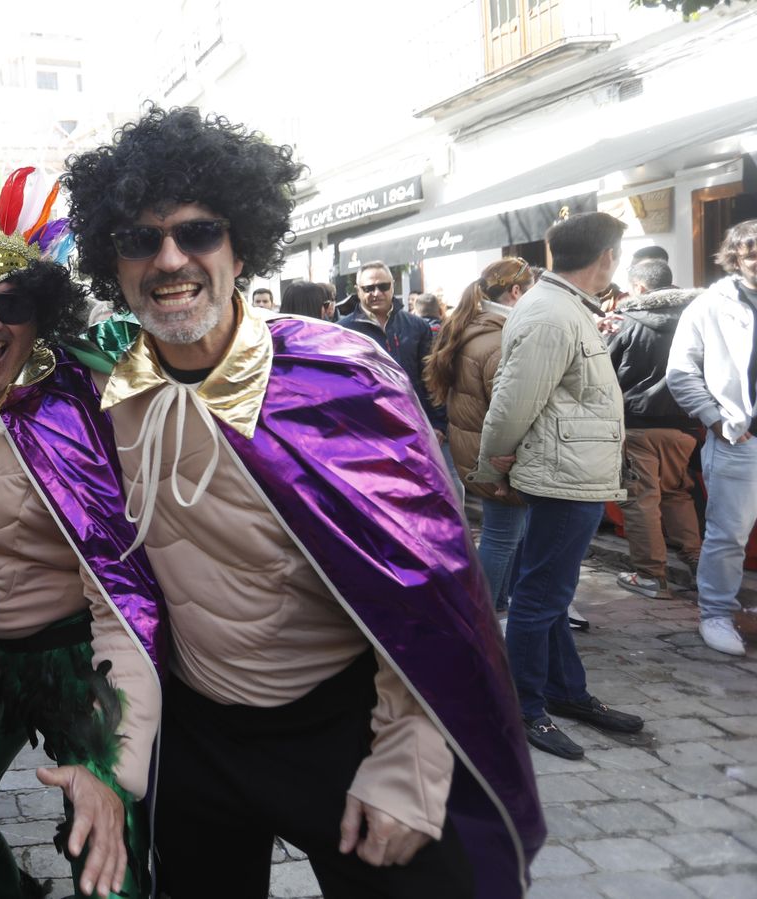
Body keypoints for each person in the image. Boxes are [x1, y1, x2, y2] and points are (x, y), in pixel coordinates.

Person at [61, 107, 541, 897]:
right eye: (140, 239)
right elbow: (116, 594)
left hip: (347, 726)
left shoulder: (341, 377)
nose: (170, 258)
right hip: (199, 735)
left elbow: (433, 591)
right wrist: (112, 760)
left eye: (198, 231)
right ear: (113, 261)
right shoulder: (107, 403)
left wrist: (410, 760)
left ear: (241, 245)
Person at [0, 163, 164, 898]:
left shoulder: (74, 411)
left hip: (81, 660)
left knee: (106, 852)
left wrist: (115, 748)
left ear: (40, 314)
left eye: (11, 304)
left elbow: (121, 579)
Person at [471, 211, 643, 759]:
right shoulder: (551, 311)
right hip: (565, 478)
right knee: (539, 597)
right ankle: (526, 707)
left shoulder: (559, 306)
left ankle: (564, 691)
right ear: (608, 257)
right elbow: (512, 401)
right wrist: (492, 465)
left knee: (547, 592)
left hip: (572, 473)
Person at [423, 258, 538, 614]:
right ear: (516, 291)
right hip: (498, 456)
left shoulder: (475, 327)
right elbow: (507, 410)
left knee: (505, 535)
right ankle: (481, 617)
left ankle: (494, 608)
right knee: (502, 537)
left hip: (480, 450)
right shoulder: (500, 337)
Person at [666, 219, 757, 656]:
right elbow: (681, 370)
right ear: (735, 256)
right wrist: (716, 420)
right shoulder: (709, 305)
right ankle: (717, 612)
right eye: (751, 250)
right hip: (740, 439)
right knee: (728, 534)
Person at [609, 258, 701, 601]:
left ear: (640, 287)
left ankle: (651, 576)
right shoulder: (697, 317)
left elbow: (605, 369)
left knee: (641, 499)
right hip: (685, 424)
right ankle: (700, 567)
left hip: (637, 424)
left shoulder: (627, 321)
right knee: (677, 493)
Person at [338, 261, 449, 434]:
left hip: (414, 424)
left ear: (392, 286)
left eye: (383, 286)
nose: (376, 293)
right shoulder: (342, 331)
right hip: (367, 429)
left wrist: (438, 423)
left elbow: (430, 378)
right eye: (369, 288)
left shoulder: (417, 326)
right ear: (358, 290)